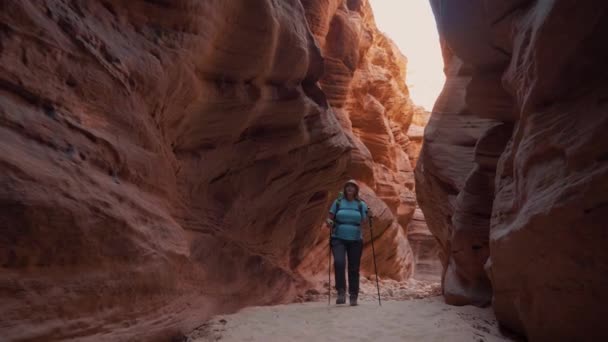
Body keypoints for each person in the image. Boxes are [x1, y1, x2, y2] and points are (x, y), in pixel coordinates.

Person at [325, 179, 369, 306]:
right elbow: (330, 218)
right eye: (348, 186)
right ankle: (341, 292)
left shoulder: (361, 204)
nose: (350, 188)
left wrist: (369, 216)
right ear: (345, 189)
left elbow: (365, 221)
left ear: (356, 190)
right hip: (338, 237)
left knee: (354, 267)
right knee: (339, 263)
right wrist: (329, 222)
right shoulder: (338, 202)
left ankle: (354, 295)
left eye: (352, 187)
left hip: (355, 239)